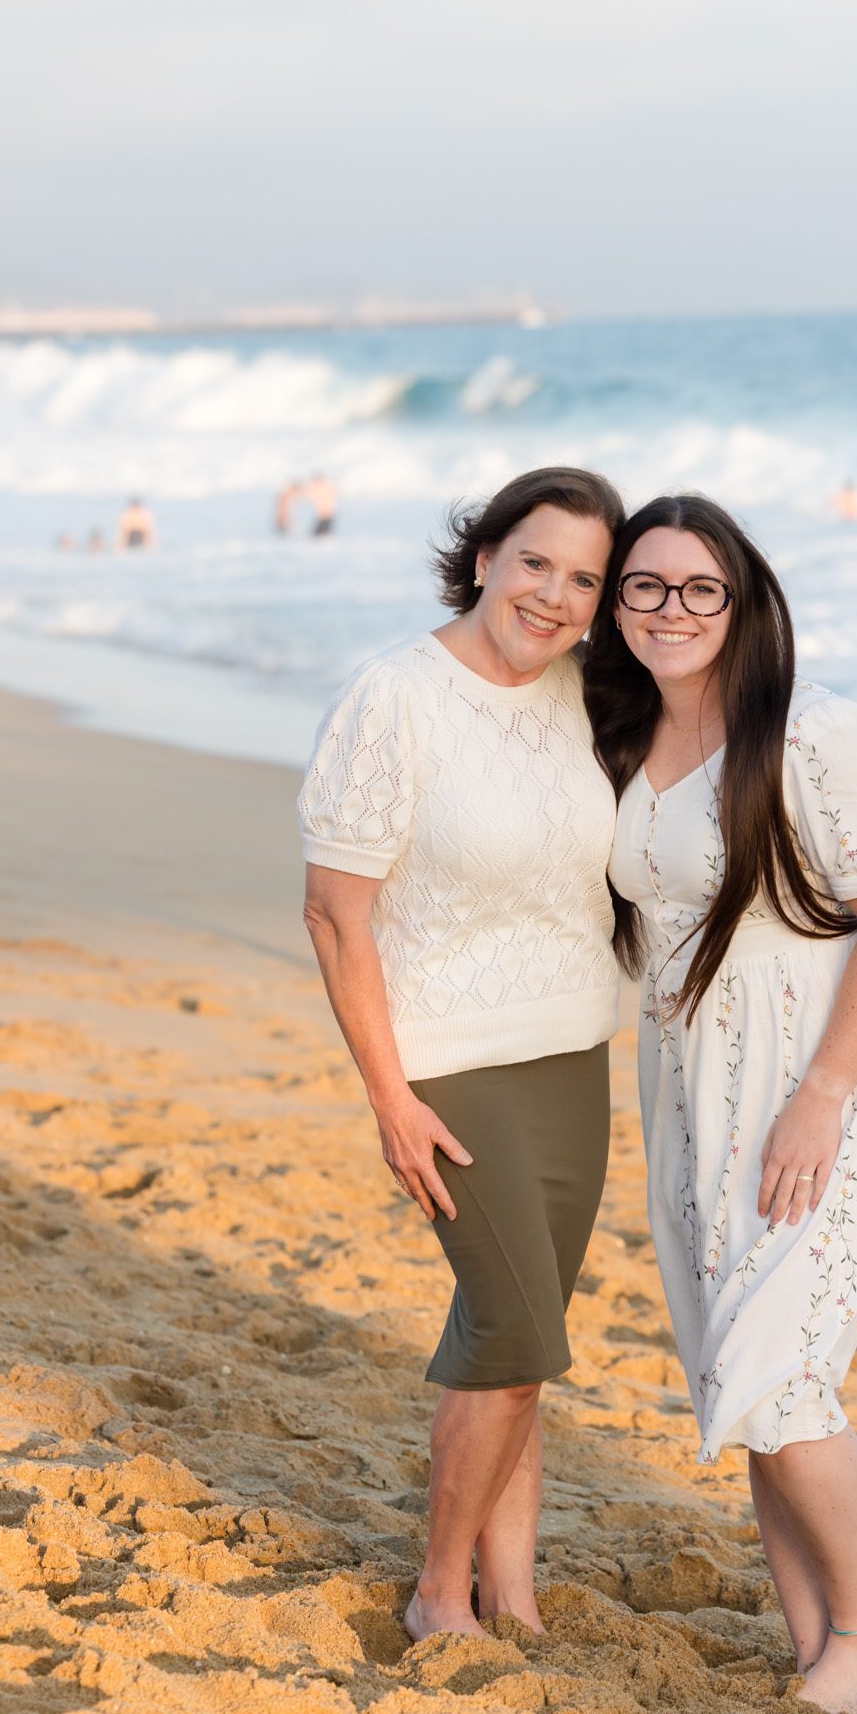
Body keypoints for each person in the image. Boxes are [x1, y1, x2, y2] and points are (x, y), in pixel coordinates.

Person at [585, 494, 857, 1714]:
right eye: (644, 585)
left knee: (779, 1359)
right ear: (614, 604)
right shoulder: (620, 736)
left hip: (834, 1069)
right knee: (738, 1372)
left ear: (745, 605)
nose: (672, 609)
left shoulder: (816, 731)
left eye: (701, 588)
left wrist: (826, 1096)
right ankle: (819, 1650)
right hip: (697, 1083)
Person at [298, 467, 624, 1642]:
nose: (553, 593)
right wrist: (390, 1096)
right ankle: (441, 1586)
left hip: (572, 1051)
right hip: (451, 1060)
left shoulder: (586, 692)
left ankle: (516, 1591)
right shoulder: (394, 695)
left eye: (583, 577)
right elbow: (337, 912)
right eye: (535, 560)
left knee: (511, 1350)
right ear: (484, 554)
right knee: (517, 1329)